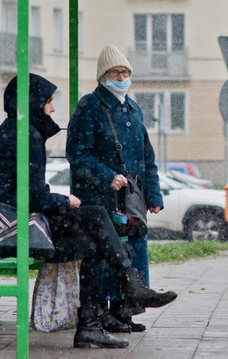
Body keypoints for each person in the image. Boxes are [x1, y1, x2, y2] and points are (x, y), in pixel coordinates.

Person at [0, 74, 177, 349]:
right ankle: (117, 298)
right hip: (11, 230)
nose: (53, 109)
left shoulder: (19, 131)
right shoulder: (24, 136)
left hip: (16, 222)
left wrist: (65, 203)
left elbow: (26, 195)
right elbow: (35, 198)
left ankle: (96, 321)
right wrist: (66, 202)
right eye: (48, 102)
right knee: (94, 225)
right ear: (32, 102)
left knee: (94, 226)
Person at [67, 44, 164, 333]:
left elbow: (147, 158)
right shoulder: (89, 106)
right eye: (115, 71)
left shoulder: (134, 109)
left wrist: (153, 196)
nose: (122, 76)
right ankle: (102, 312)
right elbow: (77, 154)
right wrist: (107, 176)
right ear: (102, 76)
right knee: (107, 255)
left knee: (132, 250)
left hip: (130, 201)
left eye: (125, 71)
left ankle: (124, 312)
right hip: (99, 199)